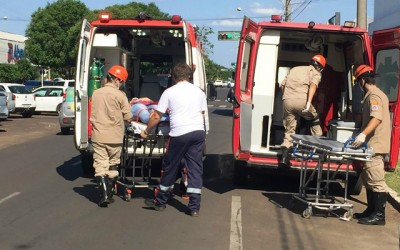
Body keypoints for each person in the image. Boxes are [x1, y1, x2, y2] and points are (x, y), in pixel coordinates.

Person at [141, 63, 207, 217]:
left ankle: (161, 202)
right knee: (195, 168)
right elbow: (202, 114)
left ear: (174, 77)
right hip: (198, 132)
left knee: (170, 166)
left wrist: (146, 131)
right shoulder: (199, 92)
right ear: (189, 76)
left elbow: (156, 116)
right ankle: (194, 207)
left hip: (180, 133)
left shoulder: (169, 92)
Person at [351, 65, 391, 226]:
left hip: (376, 144)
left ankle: (379, 215)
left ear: (361, 80)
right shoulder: (373, 94)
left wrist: (363, 134)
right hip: (371, 145)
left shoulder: (374, 95)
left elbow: (376, 118)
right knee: (368, 179)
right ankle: (371, 210)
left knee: (376, 180)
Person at [90, 65, 133, 207]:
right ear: (116, 79)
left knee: (100, 166)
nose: (121, 85)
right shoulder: (120, 95)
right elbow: (128, 117)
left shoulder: (96, 93)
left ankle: (105, 195)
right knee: (113, 164)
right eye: (121, 82)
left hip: (99, 136)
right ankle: (109, 192)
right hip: (115, 136)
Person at [279, 54, 326, 167]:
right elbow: (313, 86)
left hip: (287, 101)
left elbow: (282, 85)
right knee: (314, 120)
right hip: (302, 102)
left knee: (289, 130)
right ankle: (320, 150)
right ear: (320, 67)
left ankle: (285, 158)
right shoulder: (315, 72)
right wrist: (309, 102)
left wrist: (287, 97)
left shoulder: (295, 69)